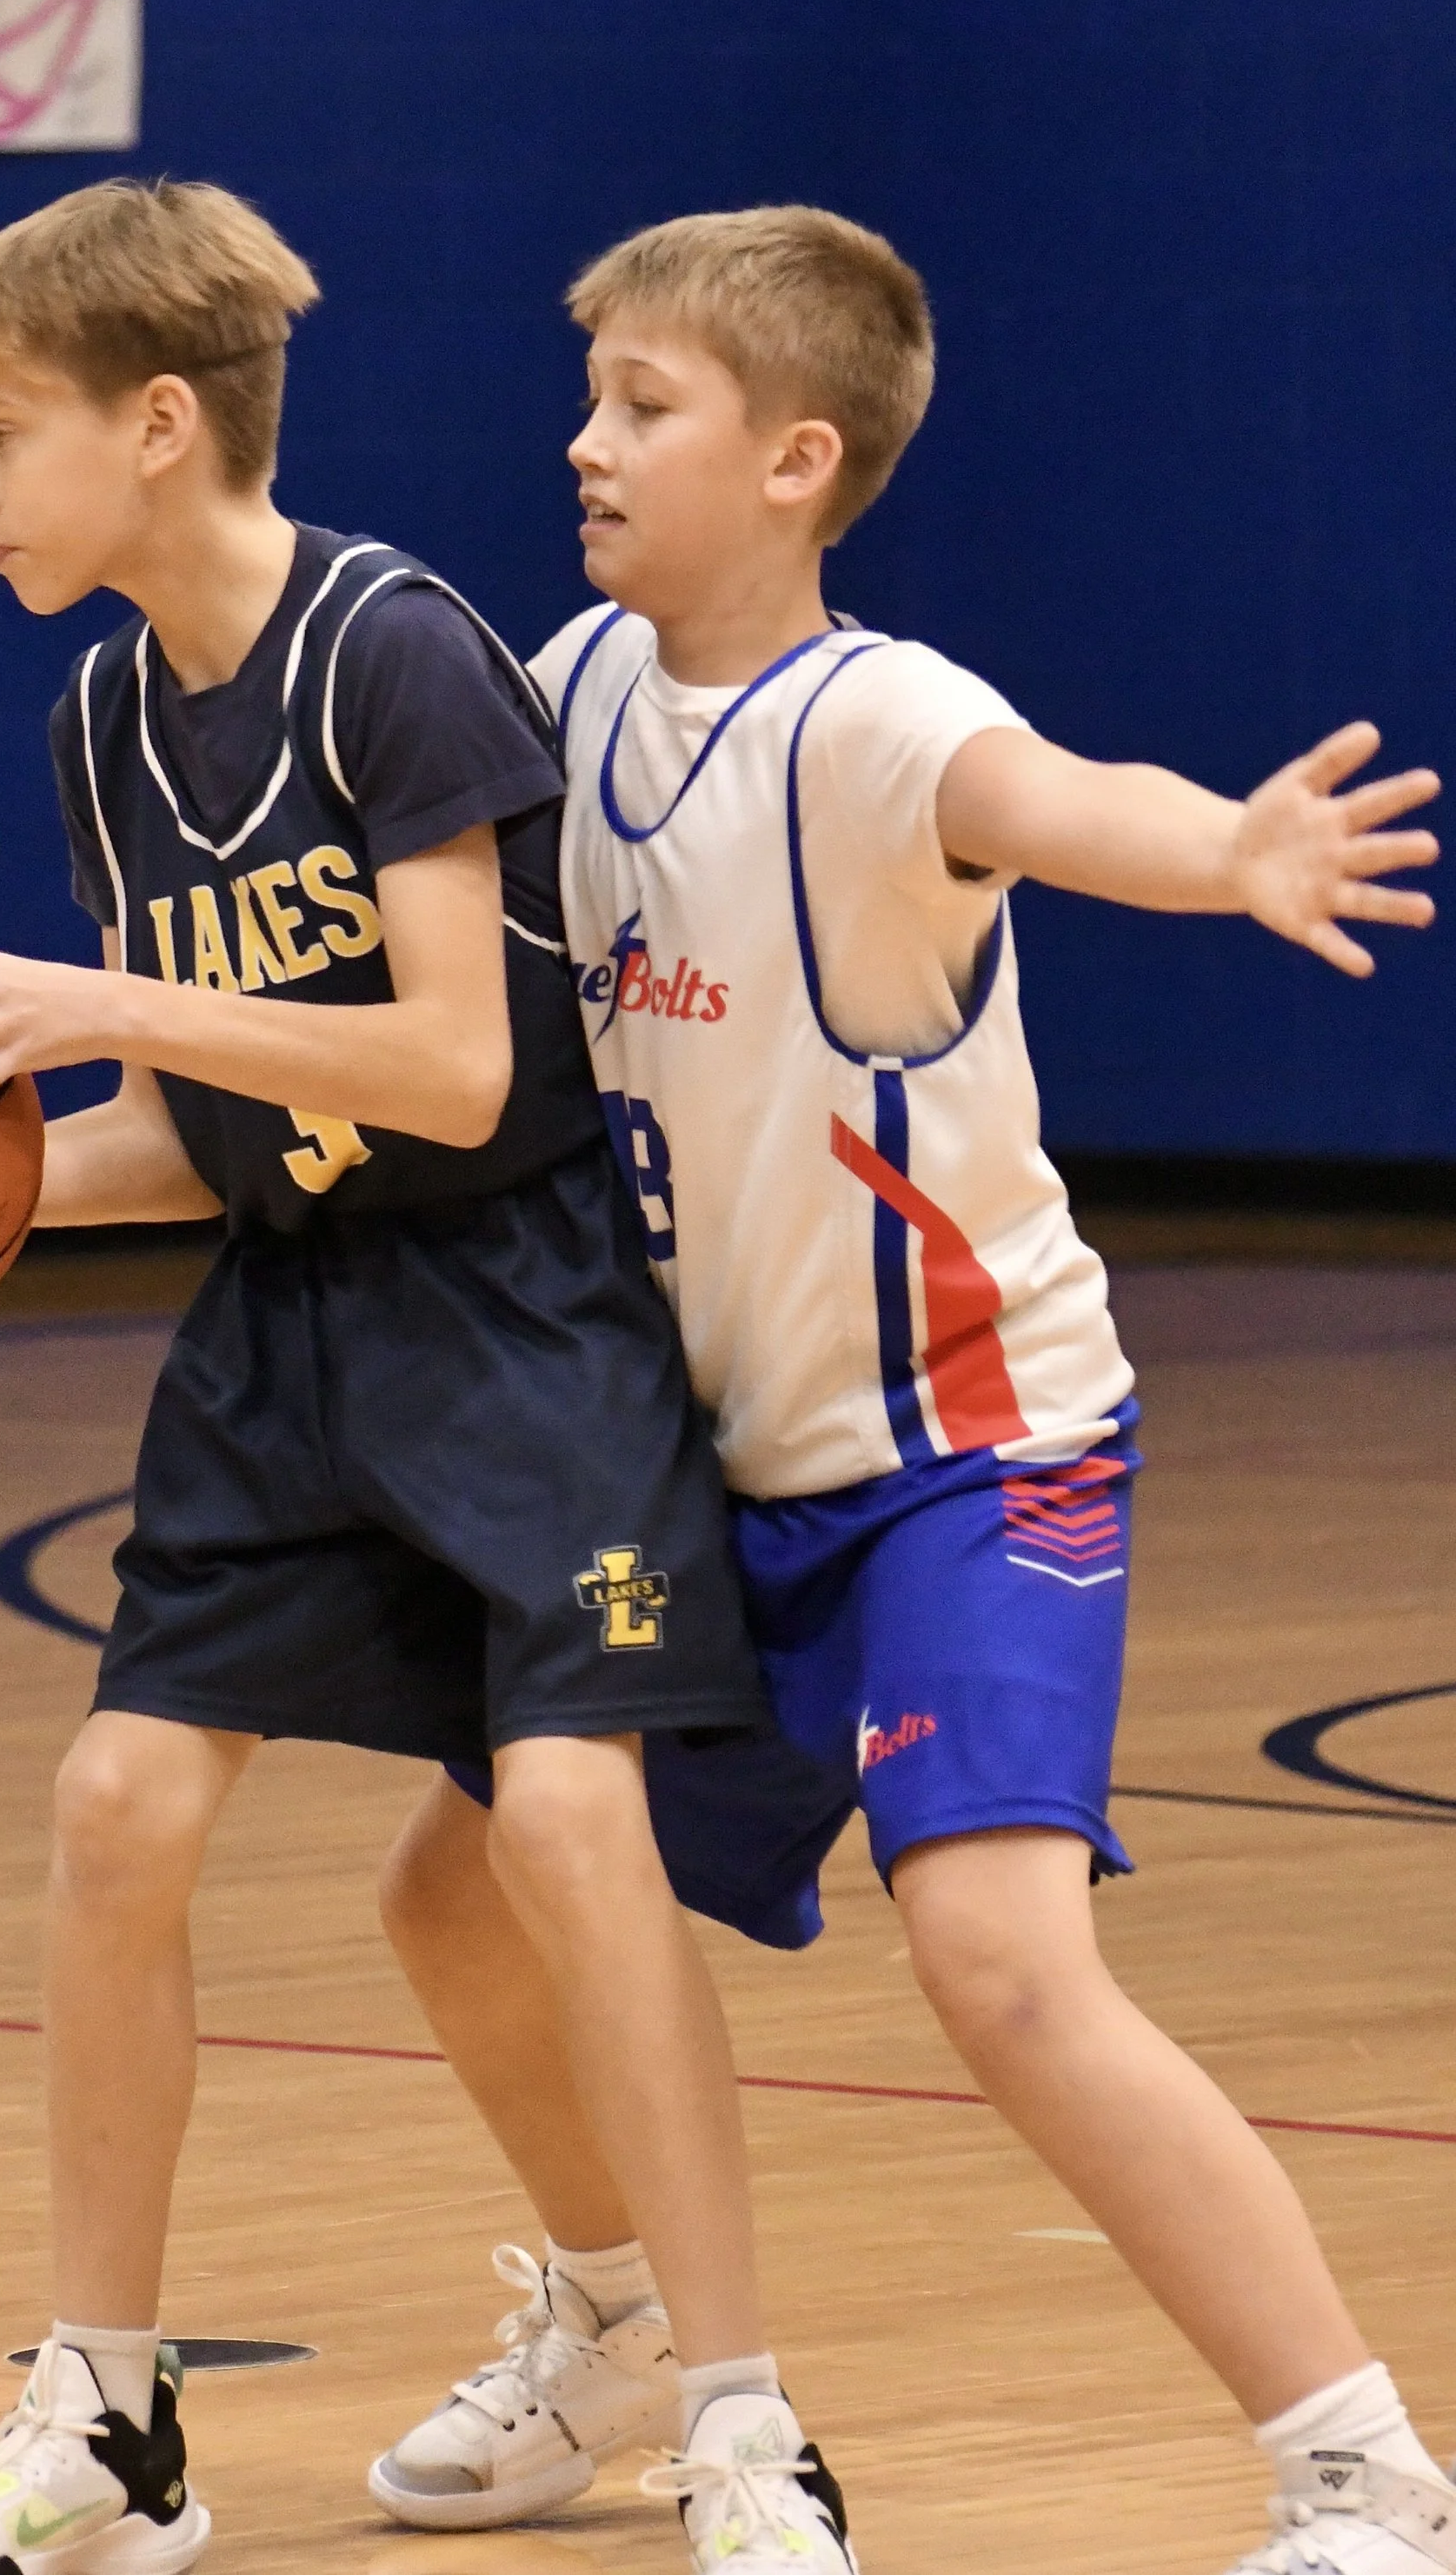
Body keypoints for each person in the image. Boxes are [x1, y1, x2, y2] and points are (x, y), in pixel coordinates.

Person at [373, 203, 1452, 2575]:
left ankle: (1356, 2464)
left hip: (966, 1457)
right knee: (456, 1897)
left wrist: (1236, 849)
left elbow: (1066, 801)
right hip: (701, 1477)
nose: (582, 441)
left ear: (793, 459)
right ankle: (618, 2317)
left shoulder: (873, 721)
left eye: (638, 406)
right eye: (589, 398)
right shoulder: (564, 688)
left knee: (996, 1959)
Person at [0, 178, 855, 2575]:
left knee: (567, 1836)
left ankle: (739, 2415)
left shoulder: (390, 646)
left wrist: (93, 1013)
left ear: (156, 424)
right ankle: (102, 2425)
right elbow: (202, 1136)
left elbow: (457, 1065)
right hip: (292, 1329)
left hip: (520, 1310)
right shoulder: (106, 707)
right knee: (115, 1811)